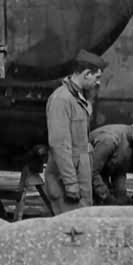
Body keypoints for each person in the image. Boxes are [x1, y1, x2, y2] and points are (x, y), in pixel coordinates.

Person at [43, 50, 106, 212]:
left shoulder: (77, 98)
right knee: (71, 231)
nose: (98, 82)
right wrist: (70, 184)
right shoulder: (61, 100)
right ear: (86, 74)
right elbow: (59, 145)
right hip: (66, 182)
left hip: (79, 179)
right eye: (96, 77)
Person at [89, 118, 133, 206]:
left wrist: (121, 196)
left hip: (100, 177)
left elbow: (120, 171)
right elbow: (91, 172)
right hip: (87, 181)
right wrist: (106, 197)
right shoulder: (110, 140)